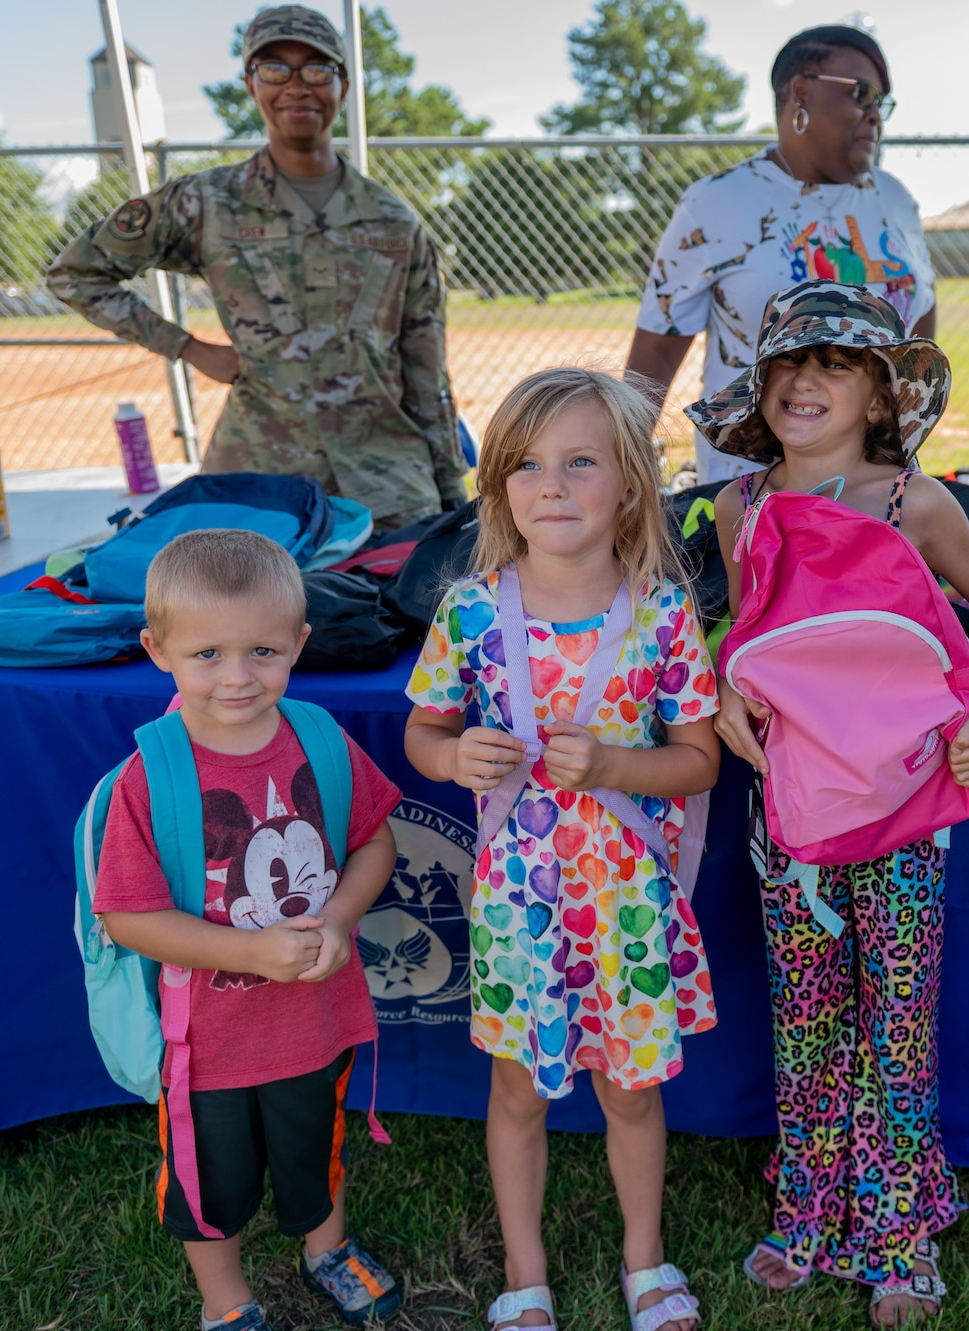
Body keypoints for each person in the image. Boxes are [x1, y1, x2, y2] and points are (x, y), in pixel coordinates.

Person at [691, 282, 969, 1328]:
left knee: (894, 1004)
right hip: (789, 800)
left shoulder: (911, 502)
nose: (804, 381)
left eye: (833, 364)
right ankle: (805, 1204)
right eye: (789, 363)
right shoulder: (737, 504)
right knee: (805, 1002)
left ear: (880, 393)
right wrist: (721, 685)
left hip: (903, 797)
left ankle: (894, 1225)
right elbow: (744, 629)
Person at [403, 368, 721, 1331]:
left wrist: (622, 764)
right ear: (500, 486)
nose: (552, 485)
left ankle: (644, 1259)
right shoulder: (468, 612)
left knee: (632, 1092)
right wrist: (456, 752)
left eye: (581, 462)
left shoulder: (665, 613)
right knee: (518, 1089)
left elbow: (700, 763)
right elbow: (422, 734)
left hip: (625, 902)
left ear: (629, 483)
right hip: (519, 904)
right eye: (529, 465)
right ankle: (524, 1268)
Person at [93, 528, 405, 1331]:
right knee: (211, 1183)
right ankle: (226, 1297)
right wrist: (248, 952)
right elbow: (127, 915)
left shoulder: (321, 740)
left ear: (300, 643)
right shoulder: (150, 775)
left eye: (263, 649)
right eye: (207, 654)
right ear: (157, 650)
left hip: (315, 1020)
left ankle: (325, 1249)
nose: (237, 676)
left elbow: (375, 840)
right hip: (208, 1046)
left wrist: (338, 914)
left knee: (316, 1149)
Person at [47, 5, 461, 527]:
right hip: (263, 480)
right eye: (274, 69)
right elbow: (76, 273)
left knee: (408, 603)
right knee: (237, 603)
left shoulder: (395, 223)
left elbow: (426, 370)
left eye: (316, 69)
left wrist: (450, 496)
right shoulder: (209, 203)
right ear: (250, 83)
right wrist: (189, 348)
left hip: (386, 483)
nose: (296, 86)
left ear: (344, 85)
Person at [627, 24, 937, 483]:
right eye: (862, 94)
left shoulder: (894, 199)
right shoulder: (717, 203)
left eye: (882, 103)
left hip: (880, 490)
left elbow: (921, 325)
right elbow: (656, 348)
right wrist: (620, 459)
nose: (875, 115)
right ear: (801, 93)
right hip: (754, 493)